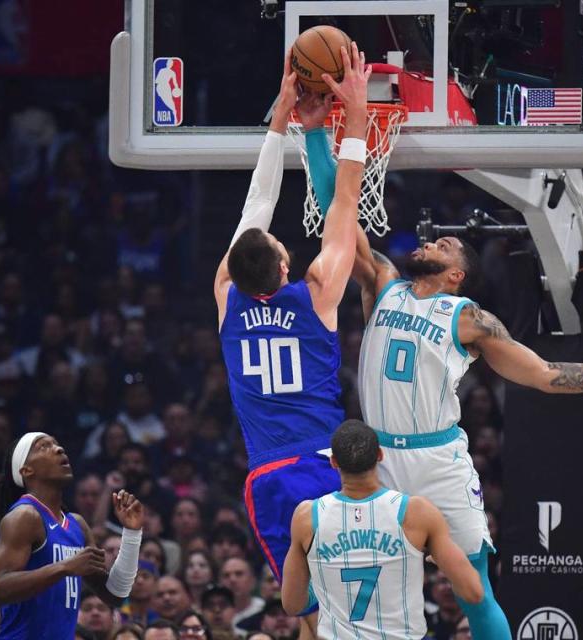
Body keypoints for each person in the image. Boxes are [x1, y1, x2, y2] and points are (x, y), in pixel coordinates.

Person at [303, 103, 583, 640]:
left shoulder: (469, 318)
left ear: (456, 272)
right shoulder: (382, 282)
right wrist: (318, 131)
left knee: (475, 589)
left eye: (444, 244)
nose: (430, 241)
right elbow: (337, 214)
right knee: (367, 589)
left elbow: (548, 375)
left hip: (437, 459)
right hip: (378, 456)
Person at [213, 44, 370, 639]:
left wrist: (281, 120)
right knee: (355, 605)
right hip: (329, 470)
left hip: (270, 476)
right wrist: (349, 115)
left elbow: (257, 206)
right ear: (283, 266)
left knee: (305, 613)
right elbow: (345, 202)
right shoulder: (317, 293)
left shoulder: (226, 294)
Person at [281, 420, 483, 640]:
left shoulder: (306, 517)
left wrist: (325, 583)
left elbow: (293, 604)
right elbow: (473, 592)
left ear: (333, 462)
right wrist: (447, 562)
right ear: (380, 455)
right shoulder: (417, 512)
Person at [0, 432, 145, 639]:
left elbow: (116, 595)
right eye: (44, 447)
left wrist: (132, 533)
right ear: (26, 470)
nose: (59, 449)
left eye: (57, 444)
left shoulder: (77, 525)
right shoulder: (25, 516)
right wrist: (65, 567)